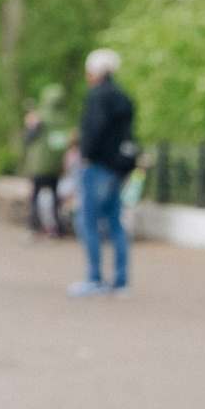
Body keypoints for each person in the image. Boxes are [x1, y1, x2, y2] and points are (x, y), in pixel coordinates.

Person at [68, 49, 138, 298]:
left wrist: (85, 154)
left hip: (97, 167)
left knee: (88, 222)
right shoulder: (123, 97)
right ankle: (120, 282)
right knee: (116, 224)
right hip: (118, 168)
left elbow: (94, 130)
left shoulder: (97, 97)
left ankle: (94, 278)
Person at [19, 90, 69, 239]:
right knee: (55, 197)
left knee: (35, 196)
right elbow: (61, 144)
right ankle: (57, 228)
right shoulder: (63, 119)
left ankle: (34, 227)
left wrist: (29, 125)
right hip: (56, 165)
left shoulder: (41, 118)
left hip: (39, 165)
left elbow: (28, 138)